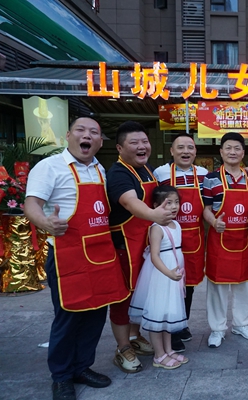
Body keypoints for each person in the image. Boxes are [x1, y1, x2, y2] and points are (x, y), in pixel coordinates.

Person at [24, 117, 129, 400]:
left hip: (101, 254)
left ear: (99, 142)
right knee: (69, 316)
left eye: (94, 132)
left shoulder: (99, 169)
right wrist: (45, 223)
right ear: (68, 135)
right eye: (81, 130)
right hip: (67, 255)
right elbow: (31, 203)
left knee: (96, 314)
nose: (88, 136)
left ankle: (82, 367)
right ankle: (61, 377)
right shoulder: (49, 167)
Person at [107, 121, 174, 373]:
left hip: (144, 245)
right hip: (125, 245)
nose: (142, 146)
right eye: (134, 143)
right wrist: (155, 215)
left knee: (141, 294)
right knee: (123, 297)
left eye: (144, 141)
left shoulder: (147, 170)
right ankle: (123, 347)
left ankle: (135, 337)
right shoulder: (119, 173)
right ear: (120, 147)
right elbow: (131, 203)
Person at [202, 132, 248, 348]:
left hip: (244, 240)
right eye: (228, 148)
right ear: (221, 152)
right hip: (219, 239)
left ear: (243, 152)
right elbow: (206, 209)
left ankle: (241, 324)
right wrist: (214, 222)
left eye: (237, 148)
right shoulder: (210, 178)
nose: (233, 152)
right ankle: (217, 329)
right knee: (217, 286)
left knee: (244, 285)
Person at [153, 133, 208, 352]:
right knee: (171, 285)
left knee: (189, 284)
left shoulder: (203, 174)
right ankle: (172, 330)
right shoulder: (160, 173)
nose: (186, 152)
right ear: (172, 151)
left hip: (194, 237)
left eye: (190, 148)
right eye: (181, 147)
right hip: (168, 237)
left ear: (195, 152)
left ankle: (182, 322)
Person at [129, 186, 189, 370]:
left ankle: (168, 349)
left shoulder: (176, 224)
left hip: (173, 275)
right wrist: (169, 273)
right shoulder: (156, 228)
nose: (173, 207)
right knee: (157, 313)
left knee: (168, 313)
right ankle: (159, 354)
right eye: (168, 203)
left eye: (176, 202)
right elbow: (154, 256)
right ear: (155, 205)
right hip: (161, 276)